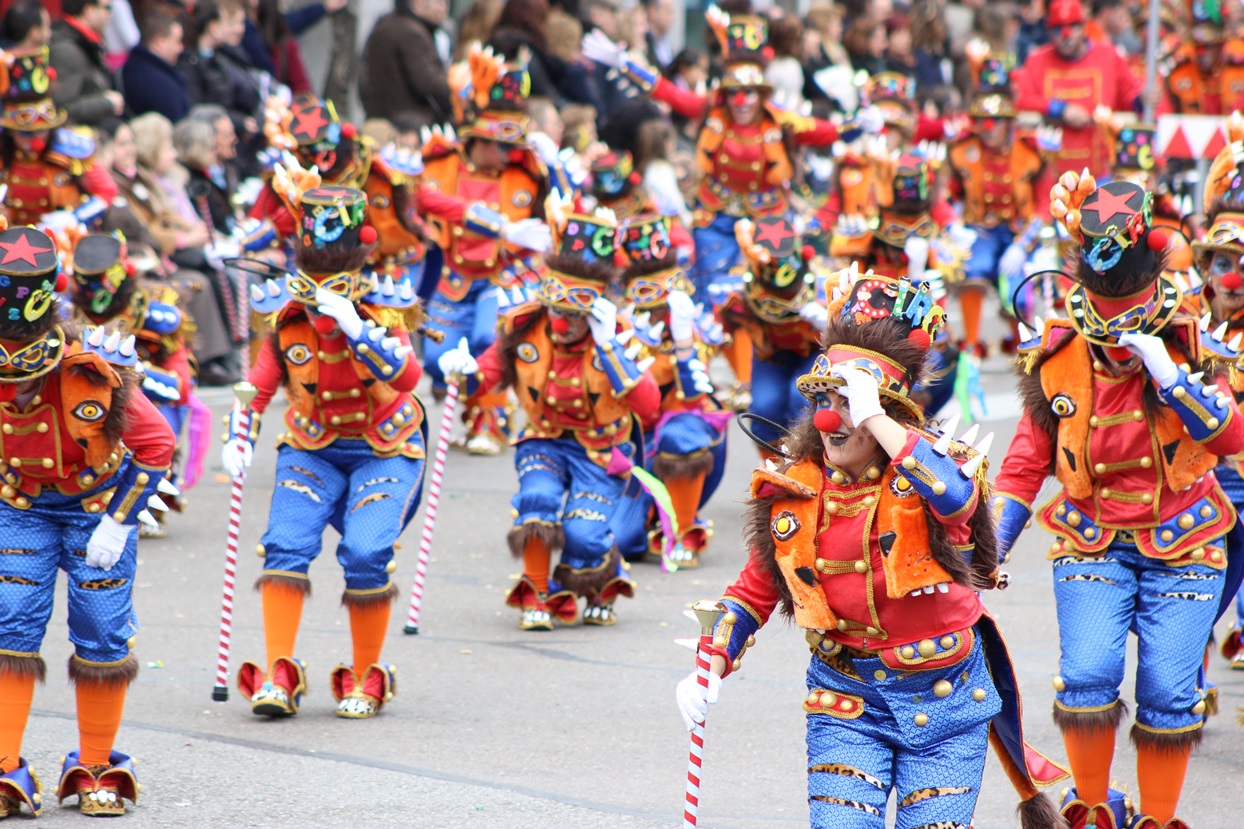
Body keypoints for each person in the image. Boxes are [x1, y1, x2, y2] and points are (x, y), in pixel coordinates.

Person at [675, 266, 1064, 829]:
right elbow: (755, 589)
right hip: (845, 698)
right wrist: (712, 662)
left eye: (848, 404)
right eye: (825, 399)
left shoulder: (935, 468)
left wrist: (879, 419)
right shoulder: (795, 486)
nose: (831, 417)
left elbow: (959, 507)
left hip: (945, 696)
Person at [994, 173, 1244, 829]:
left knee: (1168, 685)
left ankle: (1159, 819)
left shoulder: (1193, 343)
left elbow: (1231, 434)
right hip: (1092, 535)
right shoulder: (1056, 355)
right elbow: (1026, 458)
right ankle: (1094, 810)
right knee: (1087, 674)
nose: (1115, 349)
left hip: (1185, 539)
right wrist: (988, 545)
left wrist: (1170, 376)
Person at [223, 168, 426, 720]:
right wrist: (241, 434)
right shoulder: (286, 319)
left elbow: (408, 378)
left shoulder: (383, 311)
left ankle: (365, 674)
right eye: (310, 289)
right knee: (284, 544)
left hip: (384, 446)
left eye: (327, 291)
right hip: (312, 445)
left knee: (366, 552)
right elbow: (257, 387)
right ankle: (278, 672)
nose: (317, 304)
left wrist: (358, 330)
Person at [0, 224, 176, 818]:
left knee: (102, 629)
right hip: (19, 504)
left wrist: (120, 522)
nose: (16, 394)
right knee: (8, 628)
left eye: (23, 380)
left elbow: (156, 444)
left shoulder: (93, 368)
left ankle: (97, 763)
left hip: (95, 506)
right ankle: (4, 766)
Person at [437, 198, 661, 629]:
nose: (563, 319)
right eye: (557, 308)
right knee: (537, 500)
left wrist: (609, 344)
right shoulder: (523, 324)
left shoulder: (618, 335)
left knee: (583, 534)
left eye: (574, 312)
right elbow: (484, 375)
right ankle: (536, 594)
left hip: (602, 448)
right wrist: (461, 373)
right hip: (543, 438)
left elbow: (648, 408)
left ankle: (605, 573)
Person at [417, 45, 553, 454]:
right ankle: (460, 395)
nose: (509, 154)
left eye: (514, 145)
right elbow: (428, 201)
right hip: (453, 276)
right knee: (438, 359)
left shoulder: (528, 172)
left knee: (484, 341)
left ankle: (489, 423)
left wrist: (558, 170)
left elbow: (563, 213)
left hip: (504, 274)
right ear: (478, 138)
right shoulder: (440, 163)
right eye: (501, 145)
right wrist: (500, 224)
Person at [610, 213, 726, 568]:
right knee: (621, 542)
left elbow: (691, 396)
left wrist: (681, 339)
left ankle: (683, 528)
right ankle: (645, 517)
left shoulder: (694, 327)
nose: (661, 304)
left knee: (681, 436)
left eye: (669, 292)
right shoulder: (619, 328)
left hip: (686, 433)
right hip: (635, 443)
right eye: (649, 293)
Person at [66, 233, 198, 537]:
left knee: (163, 417)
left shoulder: (156, 315)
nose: (95, 290)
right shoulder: (64, 315)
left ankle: (147, 496)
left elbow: (182, 386)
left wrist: (134, 374)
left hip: (145, 400)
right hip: (80, 400)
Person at [945, 42, 1047, 358]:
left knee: (1019, 294)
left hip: (1018, 232)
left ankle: (1024, 342)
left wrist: (1024, 243)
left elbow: (1044, 205)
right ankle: (972, 343)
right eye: (982, 122)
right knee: (972, 269)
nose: (988, 130)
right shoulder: (963, 150)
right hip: (981, 231)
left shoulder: (1030, 152)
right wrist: (953, 226)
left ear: (1008, 122)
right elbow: (949, 194)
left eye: (996, 122)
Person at [1187, 135, 1244, 672]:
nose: (1234, 276)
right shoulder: (1182, 322)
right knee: (1197, 604)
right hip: (1203, 481)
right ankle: (1189, 682)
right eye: (1225, 261)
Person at [1011, 0, 1143, 195]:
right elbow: (1020, 100)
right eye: (1058, 28)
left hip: (1102, 177)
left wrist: (1143, 99)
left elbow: (1130, 98)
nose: (1066, 35)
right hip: (1051, 183)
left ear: (1083, 27)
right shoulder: (1037, 60)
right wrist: (1058, 109)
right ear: (1049, 31)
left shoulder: (1108, 56)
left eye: (1072, 27)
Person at [0, 47, 115, 228]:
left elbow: (106, 191)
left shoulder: (73, 149)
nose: (37, 139)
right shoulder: (3, 153)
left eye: (43, 131)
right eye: (27, 133)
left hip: (65, 241)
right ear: (11, 132)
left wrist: (75, 218)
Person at [359, 0, 453, 124]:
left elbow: (362, 77)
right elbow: (428, 83)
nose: (444, 8)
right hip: (406, 126)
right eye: (439, 2)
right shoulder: (412, 33)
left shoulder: (386, 25)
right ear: (418, 2)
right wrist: (454, 84)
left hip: (381, 120)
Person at [49, 0, 125, 127]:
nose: (109, 15)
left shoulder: (84, 42)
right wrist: (106, 103)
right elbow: (63, 109)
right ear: (88, 10)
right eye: (107, 8)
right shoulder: (67, 50)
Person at [119, 10, 189, 122]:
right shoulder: (156, 83)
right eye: (177, 42)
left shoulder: (141, 67)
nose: (181, 48)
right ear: (159, 42)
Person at [641, 0, 675, 70]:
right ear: (652, 12)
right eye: (668, 11)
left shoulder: (664, 41)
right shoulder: (642, 40)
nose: (673, 18)